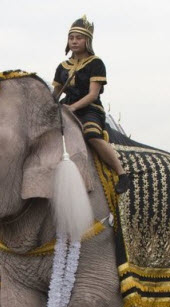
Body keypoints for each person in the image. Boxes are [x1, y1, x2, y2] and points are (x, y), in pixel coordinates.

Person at [53, 15, 130, 194]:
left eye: (78, 38)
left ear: (87, 40)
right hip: (65, 108)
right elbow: (55, 93)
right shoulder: (62, 66)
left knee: (92, 135)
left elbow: (93, 94)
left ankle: (122, 173)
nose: (74, 41)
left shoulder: (96, 63)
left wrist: (73, 108)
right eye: (71, 38)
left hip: (89, 109)